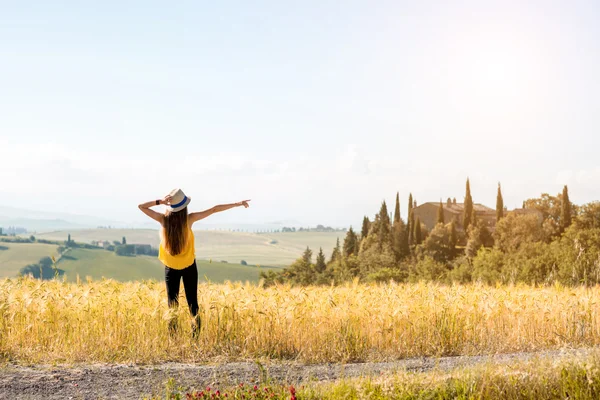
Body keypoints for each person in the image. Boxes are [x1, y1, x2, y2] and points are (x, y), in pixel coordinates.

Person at [138, 188, 250, 335]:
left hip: (170, 267)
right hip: (189, 266)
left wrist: (160, 202)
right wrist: (237, 204)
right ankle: (195, 336)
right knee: (193, 303)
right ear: (184, 207)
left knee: (172, 304)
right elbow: (214, 209)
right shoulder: (189, 219)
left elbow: (141, 207)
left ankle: (173, 337)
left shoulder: (163, 220)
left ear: (170, 206)